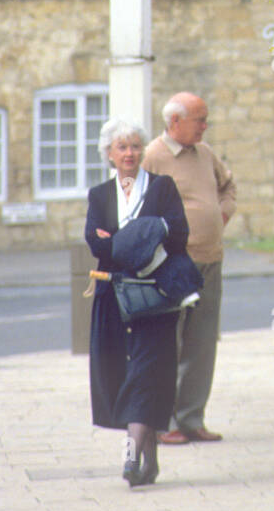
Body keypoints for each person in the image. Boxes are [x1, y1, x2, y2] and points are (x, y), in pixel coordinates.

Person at [85, 118, 190, 487]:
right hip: (113, 299)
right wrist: (145, 234)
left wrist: (121, 239)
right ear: (109, 155)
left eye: (134, 146)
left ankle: (130, 458)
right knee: (125, 375)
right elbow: (96, 244)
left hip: (154, 298)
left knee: (147, 374)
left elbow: (177, 233)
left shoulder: (162, 188)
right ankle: (150, 460)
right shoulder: (99, 195)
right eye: (121, 147)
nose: (129, 153)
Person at [143, 92, 236, 444]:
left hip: (211, 259)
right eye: (199, 119)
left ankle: (192, 418)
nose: (205, 125)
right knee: (170, 343)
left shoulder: (205, 152)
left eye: (205, 118)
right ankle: (164, 422)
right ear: (175, 122)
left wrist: (221, 213)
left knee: (202, 344)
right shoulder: (154, 156)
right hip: (173, 264)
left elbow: (228, 186)